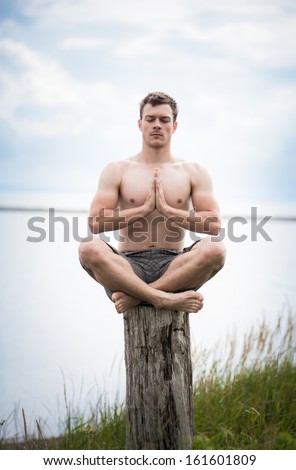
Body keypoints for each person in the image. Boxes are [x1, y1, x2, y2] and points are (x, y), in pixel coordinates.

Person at [79, 91, 226, 314]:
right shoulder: (117, 169)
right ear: (140, 124)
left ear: (174, 126)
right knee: (88, 248)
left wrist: (168, 211)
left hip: (175, 267)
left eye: (164, 120)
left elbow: (214, 225)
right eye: (150, 119)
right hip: (127, 268)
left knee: (216, 249)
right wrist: (143, 209)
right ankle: (163, 298)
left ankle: (139, 297)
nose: (157, 125)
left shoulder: (193, 171)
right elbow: (96, 223)